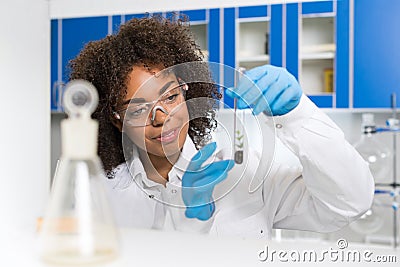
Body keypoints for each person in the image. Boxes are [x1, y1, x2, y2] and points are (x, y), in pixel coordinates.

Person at [69, 15, 374, 238]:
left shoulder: (244, 171)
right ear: (114, 119)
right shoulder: (100, 190)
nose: (161, 117)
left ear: (189, 92)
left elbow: (349, 203)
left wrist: (297, 114)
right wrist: (189, 219)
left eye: (171, 96)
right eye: (138, 108)